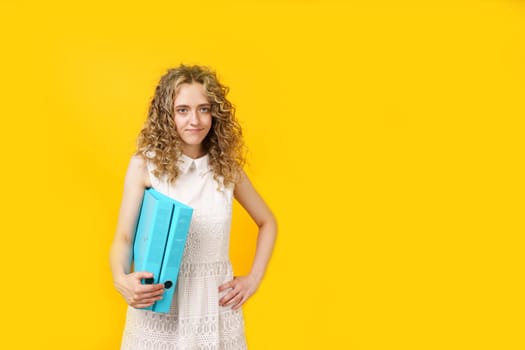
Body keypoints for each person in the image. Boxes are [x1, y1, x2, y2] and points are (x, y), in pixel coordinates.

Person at [109, 65, 277, 349]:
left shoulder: (227, 169)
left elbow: (267, 222)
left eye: (204, 109)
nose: (195, 120)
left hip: (215, 308)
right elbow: (123, 237)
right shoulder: (144, 166)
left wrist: (253, 280)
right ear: (167, 115)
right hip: (159, 305)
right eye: (183, 110)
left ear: (215, 114)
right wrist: (120, 279)